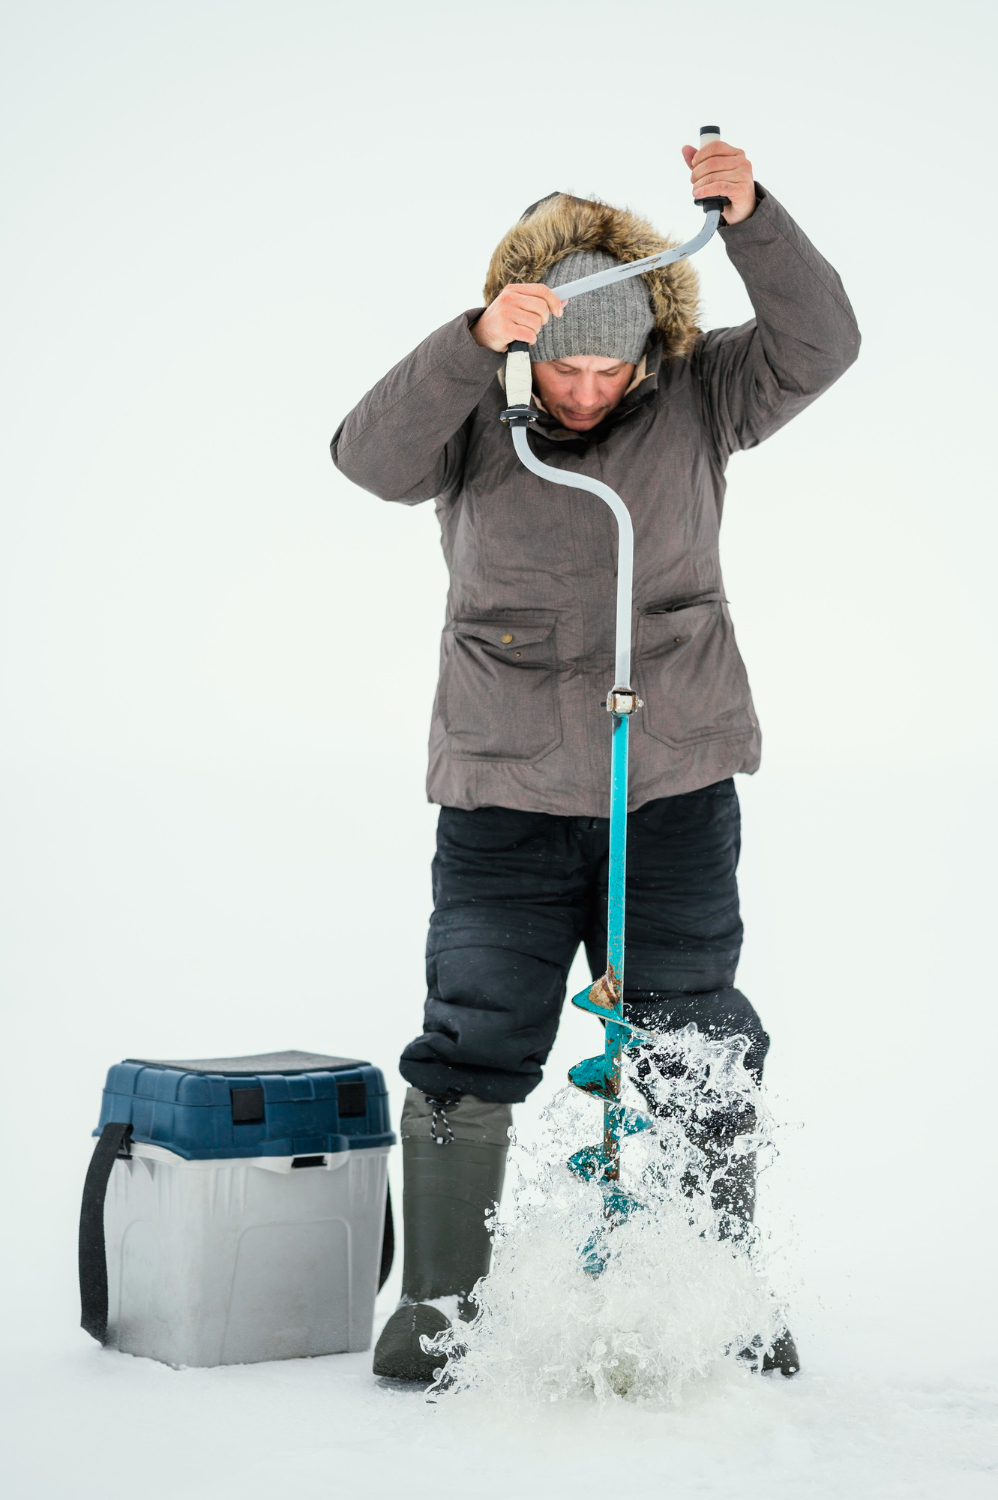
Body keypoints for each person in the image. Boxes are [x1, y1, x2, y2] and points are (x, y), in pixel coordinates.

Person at [331, 137, 860, 1380]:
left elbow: (820, 345)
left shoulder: (701, 392)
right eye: (561, 367)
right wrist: (470, 344)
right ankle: (438, 1313)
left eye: (605, 367)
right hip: (501, 796)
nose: (581, 392)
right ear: (527, 355)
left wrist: (751, 218)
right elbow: (365, 460)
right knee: (471, 1037)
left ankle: (713, 1298)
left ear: (645, 352)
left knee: (690, 1034)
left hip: (668, 788)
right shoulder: (475, 410)